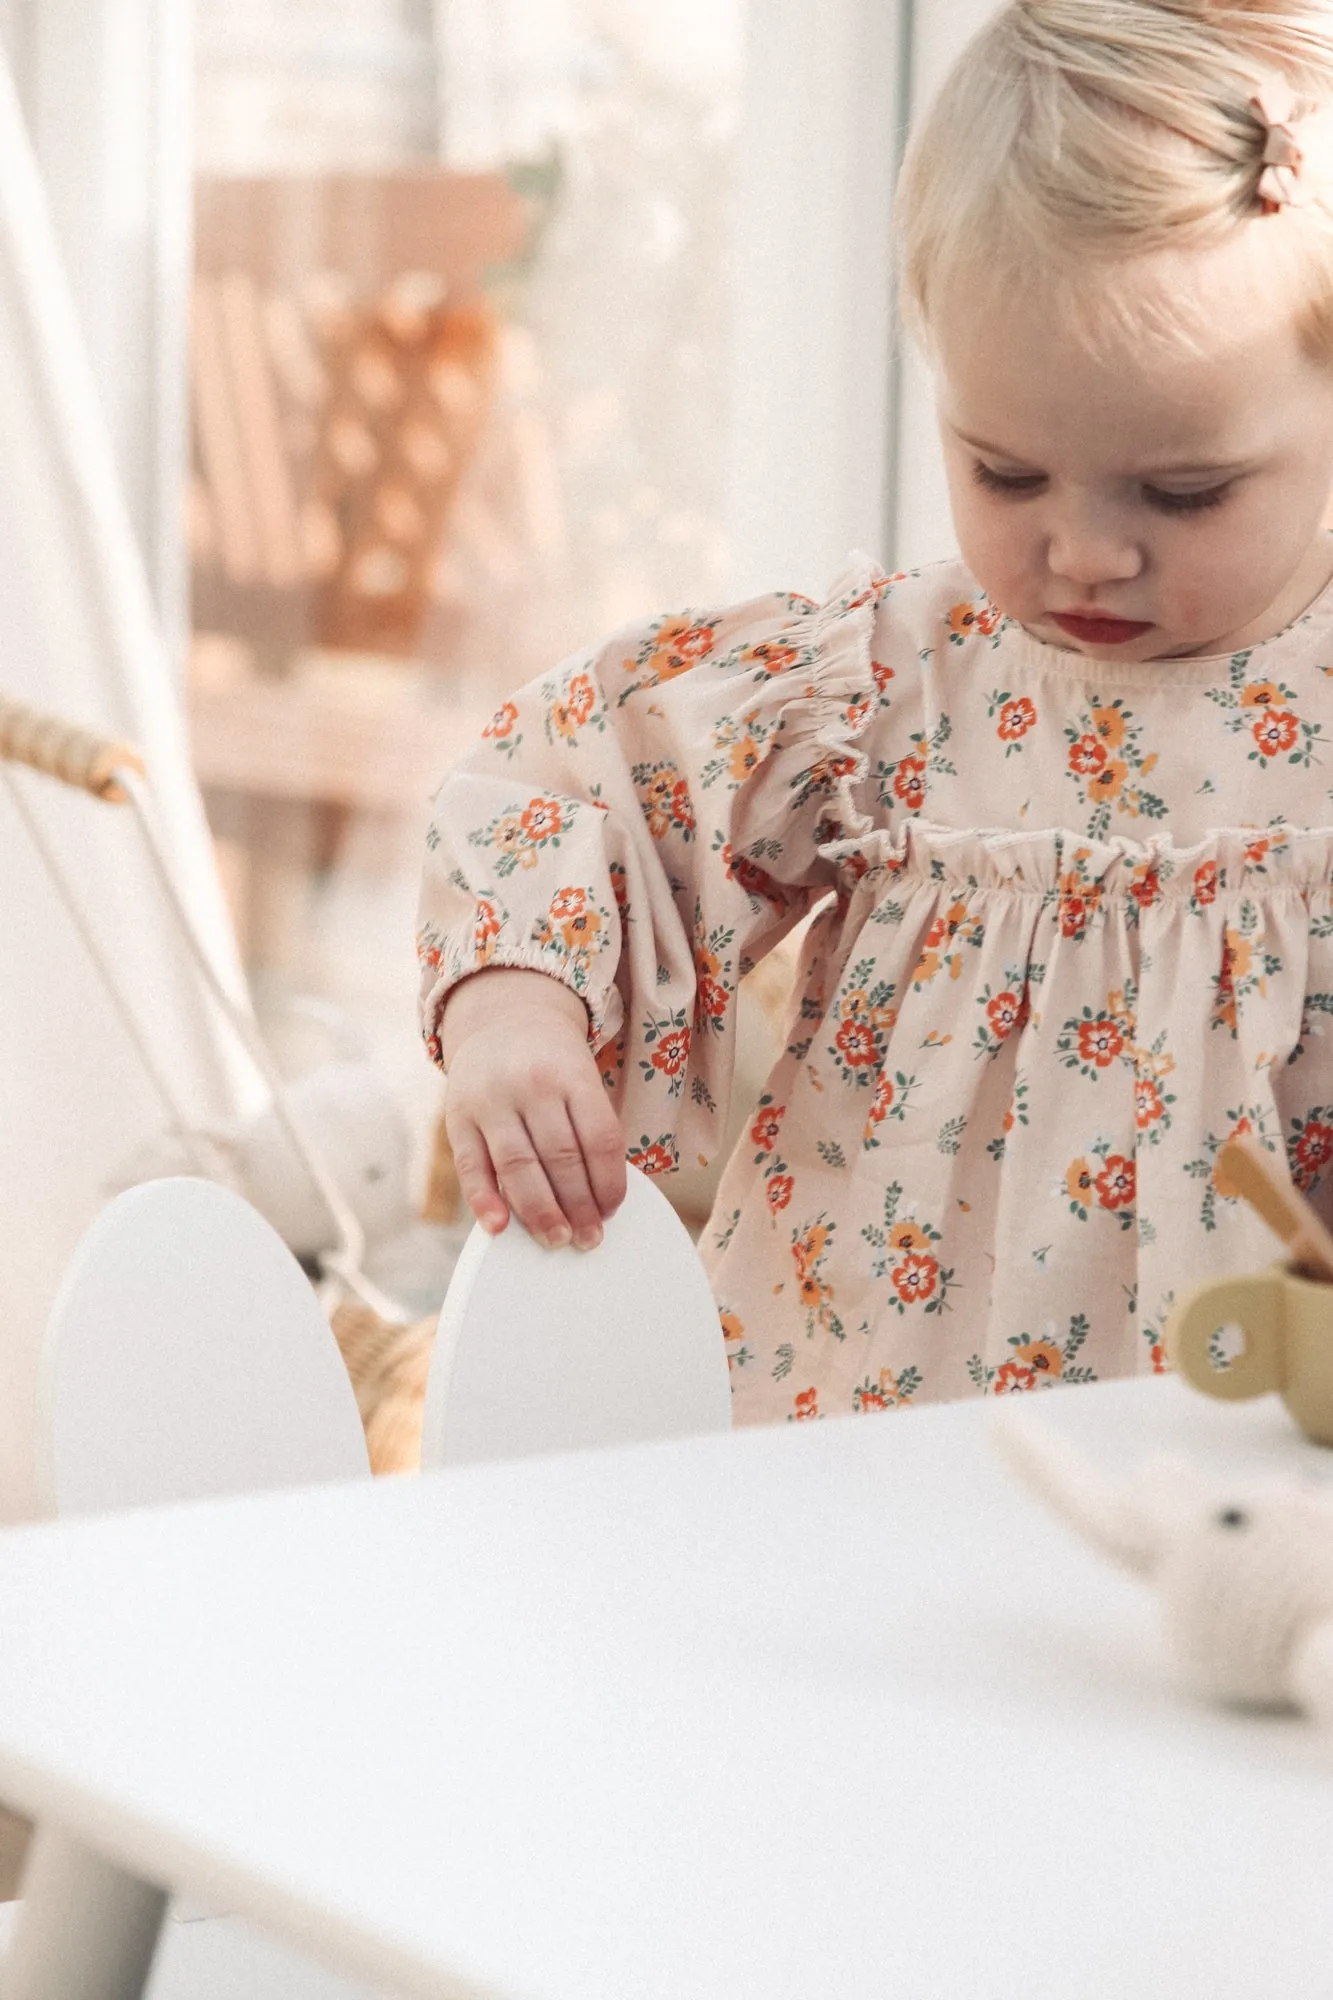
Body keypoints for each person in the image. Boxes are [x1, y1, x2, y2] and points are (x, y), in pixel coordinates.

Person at [417, 0, 1333, 1424]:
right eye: (1008, 473)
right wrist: (514, 1011)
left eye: (1184, 491)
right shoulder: (883, 683)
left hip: (1244, 1450)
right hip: (869, 1414)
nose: (1085, 551)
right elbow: (574, 774)